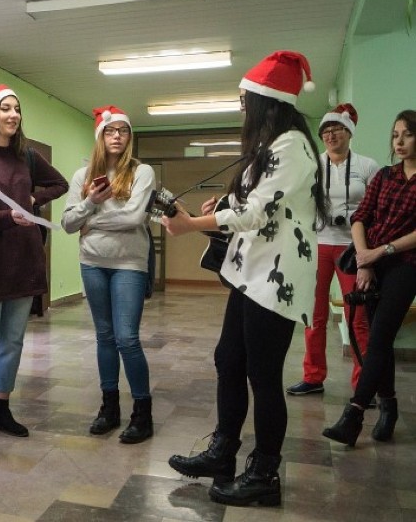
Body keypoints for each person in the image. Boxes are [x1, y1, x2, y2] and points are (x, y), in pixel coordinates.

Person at [163, 51, 327, 507]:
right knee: (228, 360)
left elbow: (258, 212)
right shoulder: (273, 146)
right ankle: (223, 451)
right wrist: (224, 204)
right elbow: (255, 201)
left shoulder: (292, 145)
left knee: (263, 374)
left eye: (244, 100)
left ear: (265, 101)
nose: (241, 109)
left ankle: (265, 474)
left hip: (276, 280)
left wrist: (194, 225)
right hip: (251, 273)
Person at [0, 84, 68, 457]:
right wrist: (14, 215)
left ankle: (1, 409)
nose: (13, 115)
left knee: (13, 342)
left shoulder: (28, 156)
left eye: (17, 109)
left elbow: (60, 183)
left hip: (24, 260)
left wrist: (33, 199)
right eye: (5, 108)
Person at [61, 105, 156, 444]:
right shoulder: (81, 177)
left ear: (130, 137)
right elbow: (68, 223)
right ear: (100, 136)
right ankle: (109, 408)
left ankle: (142, 413)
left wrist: (91, 220)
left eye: (123, 131)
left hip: (129, 264)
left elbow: (133, 220)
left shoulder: (142, 173)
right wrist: (87, 204)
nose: (117, 136)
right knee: (104, 337)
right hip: (92, 263)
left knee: (127, 338)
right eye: (110, 130)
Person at [322, 110, 416, 446]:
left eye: (407, 134)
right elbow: (361, 216)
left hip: (406, 265)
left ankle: (355, 414)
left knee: (378, 337)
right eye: (395, 135)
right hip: (373, 262)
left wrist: (381, 252)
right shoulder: (386, 176)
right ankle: (388, 406)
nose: (400, 141)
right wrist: (364, 259)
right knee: (381, 339)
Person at [286, 104, 379, 396]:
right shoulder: (313, 165)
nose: (331, 135)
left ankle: (362, 384)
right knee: (314, 316)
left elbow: (377, 209)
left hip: (353, 250)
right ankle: (313, 377)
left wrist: (370, 252)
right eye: (325, 131)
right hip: (318, 245)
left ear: (349, 132)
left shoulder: (367, 166)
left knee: (357, 317)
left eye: (336, 129)